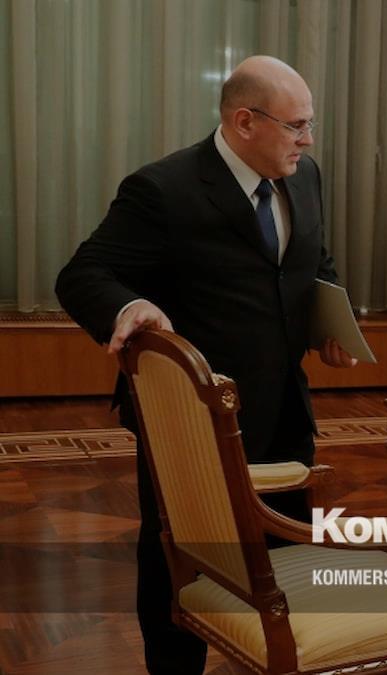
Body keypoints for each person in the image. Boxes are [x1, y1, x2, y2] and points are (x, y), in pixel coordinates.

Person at [55, 55, 357, 674]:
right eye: (296, 125)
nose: (308, 140)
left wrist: (330, 321)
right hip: (191, 419)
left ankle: (276, 657)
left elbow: (313, 259)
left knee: (285, 552)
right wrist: (132, 304)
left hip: (285, 405)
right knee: (182, 561)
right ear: (245, 122)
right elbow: (83, 274)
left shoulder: (304, 175)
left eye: (310, 124)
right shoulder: (163, 190)